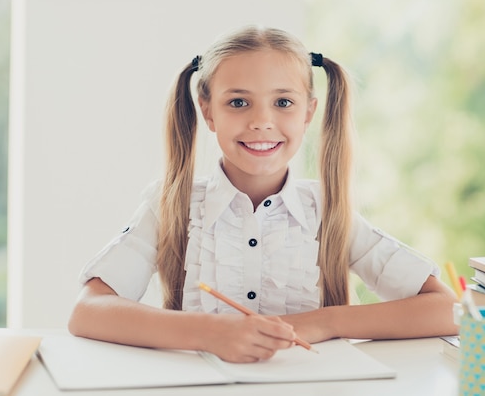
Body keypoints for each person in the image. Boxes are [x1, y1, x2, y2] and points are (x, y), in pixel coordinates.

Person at [68, 25, 458, 363]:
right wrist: (210, 332)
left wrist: (323, 322)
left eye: (283, 102)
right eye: (238, 102)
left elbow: (447, 309)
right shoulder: (172, 205)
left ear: (308, 113)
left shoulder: (327, 210)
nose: (261, 121)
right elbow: (88, 311)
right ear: (208, 111)